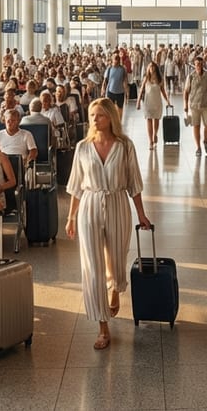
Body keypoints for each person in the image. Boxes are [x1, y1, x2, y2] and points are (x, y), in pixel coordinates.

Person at [64, 98, 151, 351]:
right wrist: (70, 217)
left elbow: (134, 182)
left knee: (116, 258)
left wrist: (141, 214)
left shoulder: (125, 146)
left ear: (111, 117)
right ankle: (102, 327)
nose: (94, 119)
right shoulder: (82, 147)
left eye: (100, 115)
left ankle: (115, 287)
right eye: (92, 115)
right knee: (92, 266)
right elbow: (76, 186)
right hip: (89, 206)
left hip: (117, 203)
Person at [183, 56, 207, 156]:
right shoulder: (191, 76)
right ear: (194, 65)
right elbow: (186, 91)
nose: (199, 66)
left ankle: (205, 140)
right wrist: (186, 105)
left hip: (206, 104)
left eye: (201, 64)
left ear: (203, 64)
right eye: (197, 64)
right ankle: (198, 147)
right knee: (196, 126)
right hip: (194, 105)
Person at [137, 62, 169, 150]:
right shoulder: (146, 78)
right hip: (148, 103)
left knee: (156, 120)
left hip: (157, 103)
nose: (151, 69)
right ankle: (150, 141)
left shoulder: (159, 79)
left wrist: (168, 101)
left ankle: (155, 134)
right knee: (149, 120)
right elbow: (141, 90)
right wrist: (138, 102)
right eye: (150, 67)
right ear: (148, 69)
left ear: (155, 68)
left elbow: (163, 91)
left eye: (153, 67)